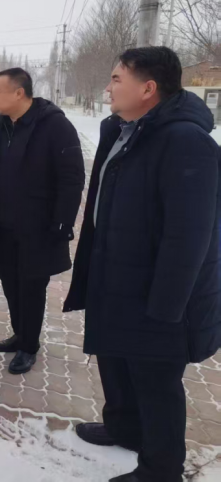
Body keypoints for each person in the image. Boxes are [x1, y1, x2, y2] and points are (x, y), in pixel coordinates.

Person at [64, 47, 221, 483]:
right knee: (115, 359)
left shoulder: (186, 143)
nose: (108, 87)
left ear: (148, 88)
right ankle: (124, 428)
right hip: (116, 275)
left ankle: (160, 469)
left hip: (157, 290)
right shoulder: (122, 130)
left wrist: (166, 309)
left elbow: (189, 236)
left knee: (155, 380)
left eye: (117, 79)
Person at [0, 68, 85, 375]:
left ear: (19, 93)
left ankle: (29, 346)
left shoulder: (55, 126)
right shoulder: (0, 126)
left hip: (39, 228)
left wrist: (63, 222)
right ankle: (20, 334)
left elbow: (72, 178)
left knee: (31, 287)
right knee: (11, 284)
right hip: (3, 225)